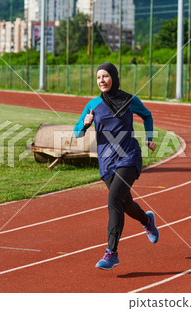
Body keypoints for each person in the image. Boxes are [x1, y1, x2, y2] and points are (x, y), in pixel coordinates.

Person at [74, 62, 159, 270]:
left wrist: (149, 138)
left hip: (128, 157)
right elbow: (77, 133)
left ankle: (111, 253)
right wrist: (85, 123)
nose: (101, 80)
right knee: (125, 204)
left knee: (113, 200)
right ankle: (146, 220)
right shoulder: (92, 105)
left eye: (105, 76)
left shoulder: (129, 100)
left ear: (114, 77)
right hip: (106, 161)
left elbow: (146, 114)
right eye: (98, 77)